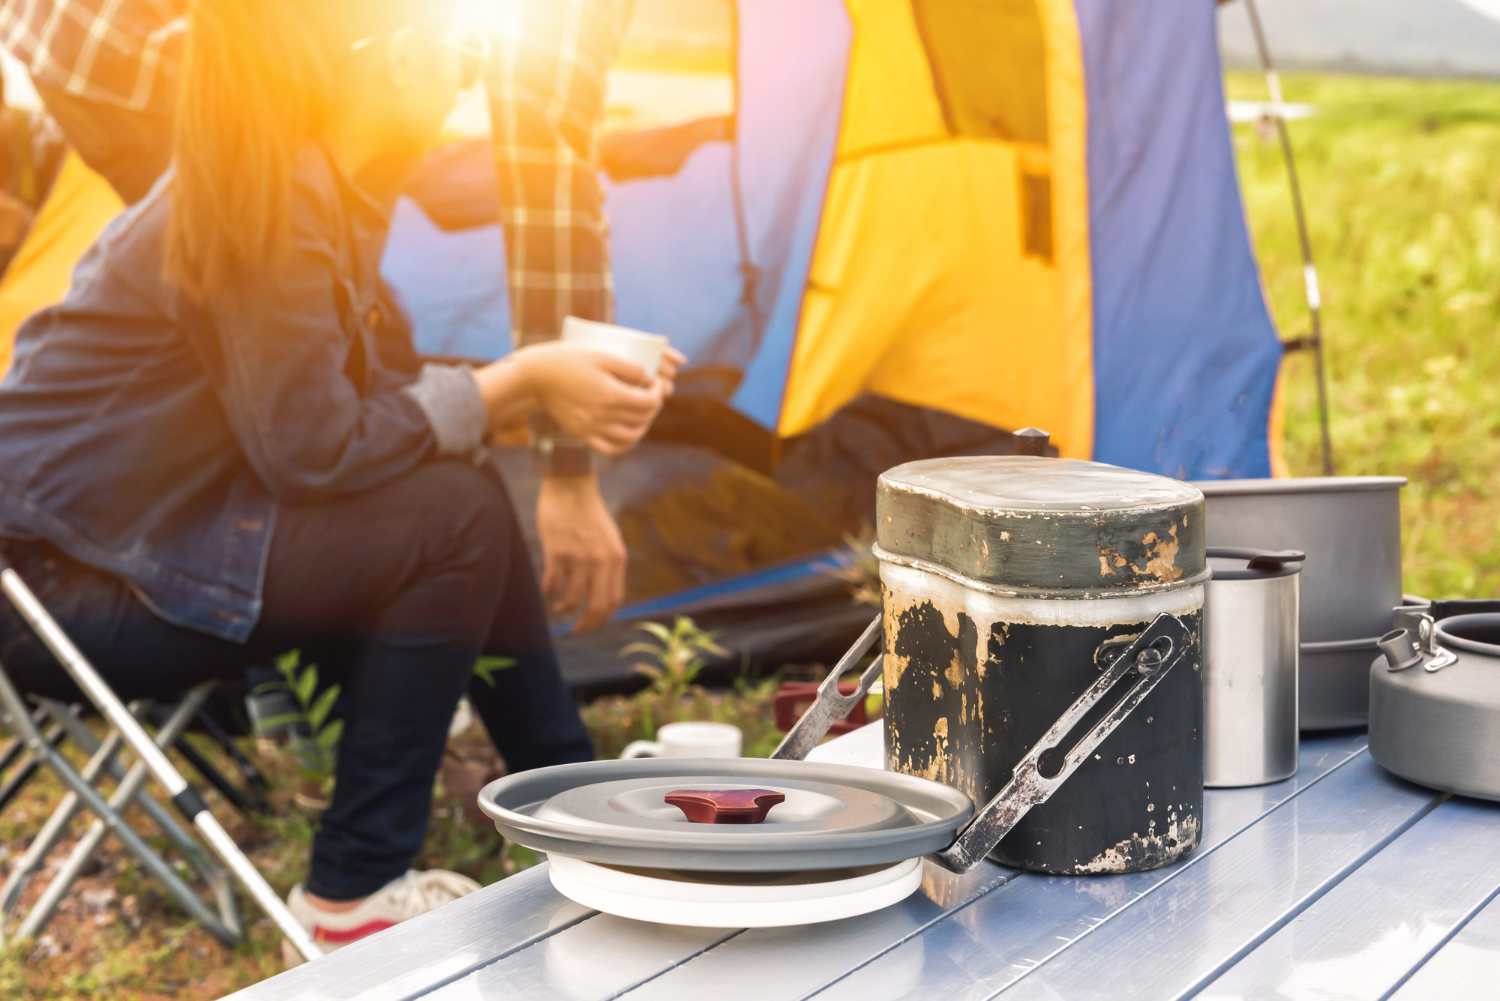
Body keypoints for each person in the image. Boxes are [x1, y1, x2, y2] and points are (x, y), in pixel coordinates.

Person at [0, 0, 681, 953]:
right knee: (455, 517)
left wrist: (538, 390)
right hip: (58, 591)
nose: (478, 67)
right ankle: (351, 894)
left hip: (132, 550)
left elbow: (362, 414)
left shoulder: (312, 186)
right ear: (398, 58)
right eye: (466, 44)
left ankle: (567, 797)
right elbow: (312, 451)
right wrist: (517, 381)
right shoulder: (271, 196)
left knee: (459, 493)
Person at [0, 0, 645, 631]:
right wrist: (547, 425)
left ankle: (542, 743)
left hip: (201, 63)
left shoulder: (317, 173)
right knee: (430, 495)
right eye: (468, 61)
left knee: (399, 428)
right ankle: (281, 660)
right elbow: (547, 157)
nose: (469, 92)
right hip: (46, 570)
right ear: (400, 58)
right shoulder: (276, 189)